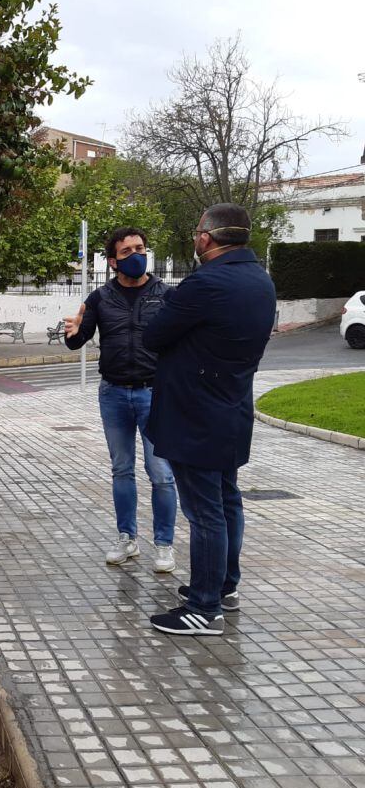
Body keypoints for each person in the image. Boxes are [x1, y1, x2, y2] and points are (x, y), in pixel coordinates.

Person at [144, 204, 276, 636]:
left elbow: (154, 335)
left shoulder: (207, 282)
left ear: (208, 237)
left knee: (205, 514)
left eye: (199, 230)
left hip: (196, 414)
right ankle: (223, 587)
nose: (196, 237)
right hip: (231, 408)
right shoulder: (260, 279)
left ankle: (204, 608)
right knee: (226, 500)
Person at [64, 227, 178, 573]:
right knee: (121, 470)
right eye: (126, 252)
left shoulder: (167, 295)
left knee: (160, 473)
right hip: (113, 393)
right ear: (113, 261)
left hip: (155, 393)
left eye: (140, 248)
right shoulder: (100, 298)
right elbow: (77, 341)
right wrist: (72, 330)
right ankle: (127, 538)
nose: (135, 255)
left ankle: (163, 544)